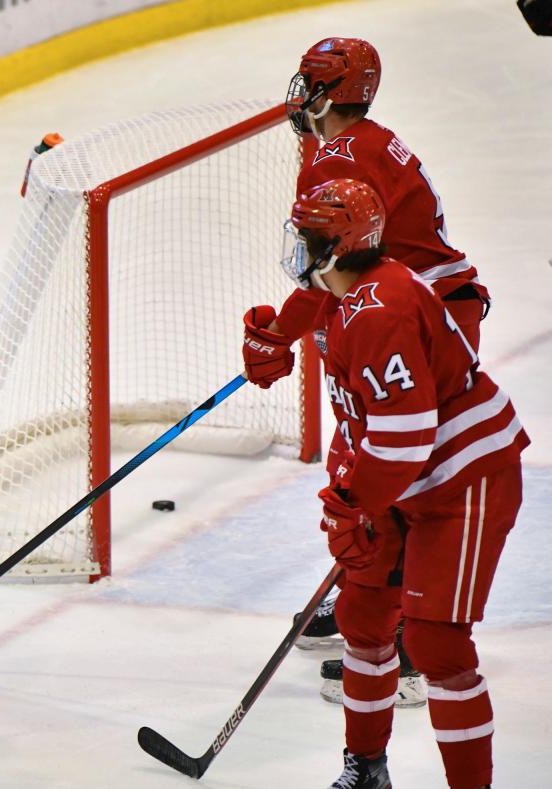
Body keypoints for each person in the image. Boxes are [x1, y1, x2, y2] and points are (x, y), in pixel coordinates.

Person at [243, 37, 492, 704]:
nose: (298, 94)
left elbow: (332, 266)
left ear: (328, 92)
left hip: (414, 316)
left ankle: (408, 640)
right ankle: (365, 594)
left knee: (399, 472)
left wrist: (278, 334)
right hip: (427, 306)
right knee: (362, 454)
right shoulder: (371, 141)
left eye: (308, 82)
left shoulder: (336, 161)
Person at [278, 177, 527, 789]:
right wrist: (268, 338)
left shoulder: (378, 310)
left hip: (462, 477)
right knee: (363, 621)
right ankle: (366, 769)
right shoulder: (341, 293)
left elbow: (408, 434)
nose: (294, 247)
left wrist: (351, 505)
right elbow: (366, 421)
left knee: (437, 647)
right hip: (402, 479)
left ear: (336, 247)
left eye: (306, 238)